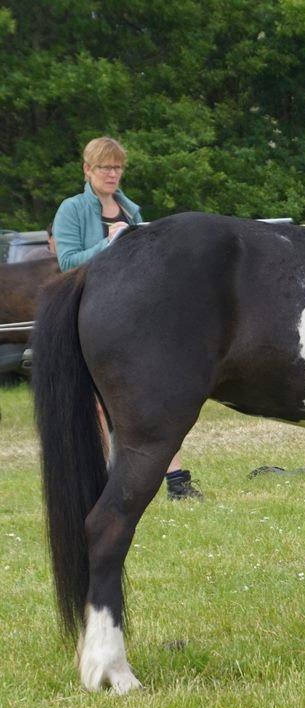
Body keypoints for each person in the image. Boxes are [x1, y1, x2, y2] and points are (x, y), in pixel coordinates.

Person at [52, 136, 202, 501]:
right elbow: (67, 262)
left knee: (155, 394)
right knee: (98, 403)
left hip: (132, 314)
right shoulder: (70, 210)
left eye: (117, 167)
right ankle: (101, 480)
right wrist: (108, 244)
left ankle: (177, 482)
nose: (112, 173)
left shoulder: (131, 210)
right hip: (88, 312)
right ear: (87, 170)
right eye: (105, 167)